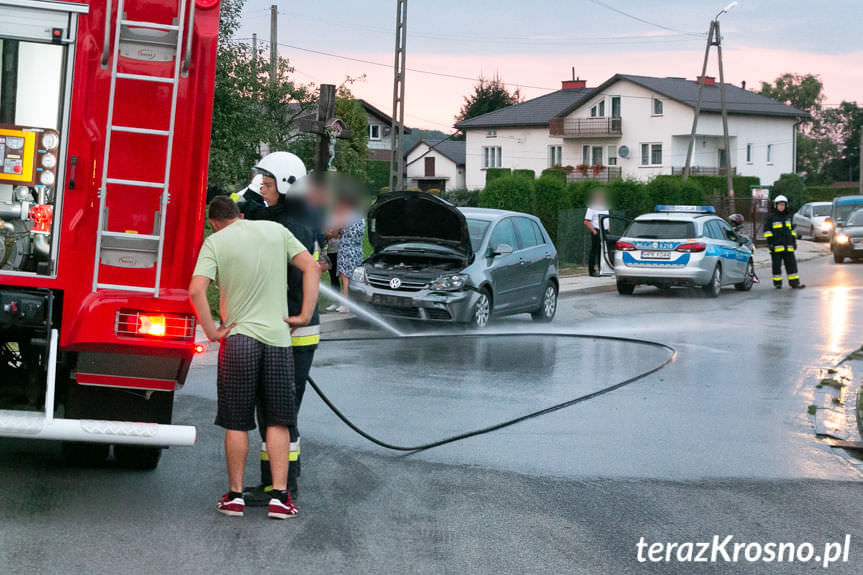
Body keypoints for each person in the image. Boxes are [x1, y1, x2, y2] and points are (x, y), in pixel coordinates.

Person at [188, 196, 321, 519]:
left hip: (239, 342)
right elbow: (312, 267)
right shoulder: (274, 231)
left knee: (237, 422)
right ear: (241, 215)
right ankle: (279, 497)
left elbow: (195, 289)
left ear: (214, 222)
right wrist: (303, 315)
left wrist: (213, 330)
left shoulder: (216, 241)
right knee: (277, 421)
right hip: (277, 340)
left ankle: (235, 497)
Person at [238, 151, 319, 502]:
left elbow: (288, 280)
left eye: (269, 185)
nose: (264, 191)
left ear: (286, 187)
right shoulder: (288, 218)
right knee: (274, 411)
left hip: (292, 332)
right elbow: (256, 212)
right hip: (286, 331)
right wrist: (253, 194)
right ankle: (275, 482)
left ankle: (282, 486)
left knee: (279, 414)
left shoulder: (292, 227)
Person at [764, 194, 805, 289]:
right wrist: (770, 243)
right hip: (776, 247)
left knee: (792, 265)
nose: (781, 207)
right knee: (776, 266)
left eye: (783, 205)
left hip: (788, 246)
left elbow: (792, 231)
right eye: (779, 205)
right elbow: (767, 231)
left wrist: (794, 242)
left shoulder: (788, 217)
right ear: (776, 205)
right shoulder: (771, 218)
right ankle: (777, 283)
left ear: (786, 206)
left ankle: (794, 283)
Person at [334, 193, 365, 313]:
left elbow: (335, 232)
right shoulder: (360, 217)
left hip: (346, 250)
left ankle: (346, 305)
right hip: (357, 250)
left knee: (345, 279)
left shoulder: (344, 216)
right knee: (354, 279)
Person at [583, 190, 609, 277]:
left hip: (605, 231)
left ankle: (602, 270)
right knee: (594, 251)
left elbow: (607, 220)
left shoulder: (605, 208)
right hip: (596, 231)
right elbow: (586, 221)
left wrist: (608, 230)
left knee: (603, 251)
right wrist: (594, 231)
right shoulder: (592, 208)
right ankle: (592, 271)